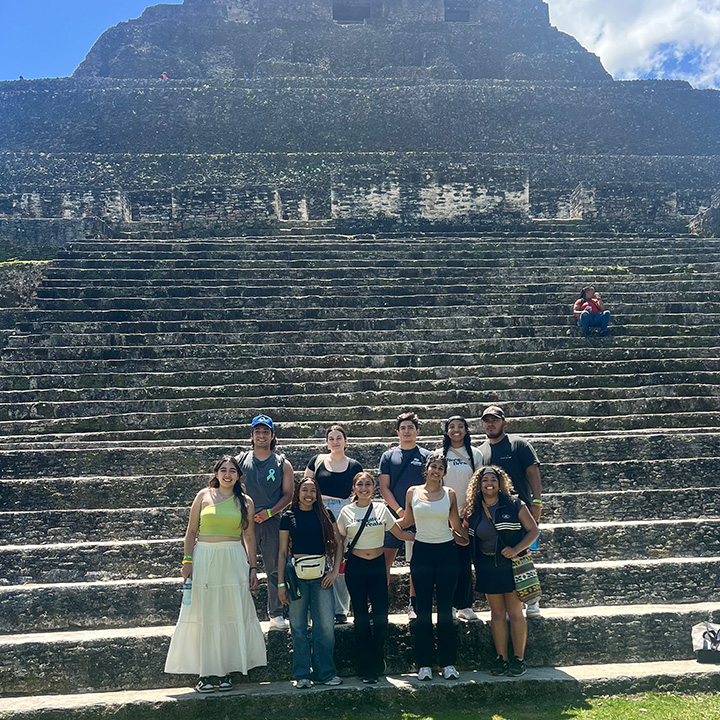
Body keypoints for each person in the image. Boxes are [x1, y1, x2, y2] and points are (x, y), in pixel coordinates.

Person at [164, 456, 267, 692]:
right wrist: (187, 561)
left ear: (239, 475)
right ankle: (205, 672)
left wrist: (253, 567)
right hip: (205, 558)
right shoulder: (203, 496)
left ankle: (226, 671)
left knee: (230, 613)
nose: (228, 474)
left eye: (232, 470)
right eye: (223, 470)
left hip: (233, 559)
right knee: (206, 614)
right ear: (216, 473)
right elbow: (191, 532)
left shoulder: (246, 502)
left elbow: (249, 537)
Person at [336, 471, 416, 684]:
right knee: (361, 617)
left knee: (381, 616)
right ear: (354, 489)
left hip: (378, 566)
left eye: (368, 484)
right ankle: (366, 667)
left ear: (373, 488)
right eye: (360, 485)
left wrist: (430, 536)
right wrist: (335, 569)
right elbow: (339, 543)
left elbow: (400, 534)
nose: (364, 488)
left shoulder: (381, 509)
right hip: (356, 567)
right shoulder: (346, 512)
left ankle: (377, 658)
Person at [398, 453, 469, 681]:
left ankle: (448, 663)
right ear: (426, 469)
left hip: (447, 553)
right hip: (422, 553)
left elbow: (455, 524)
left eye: (440, 468)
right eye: (433, 467)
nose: (436, 471)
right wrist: (385, 523)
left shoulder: (449, 494)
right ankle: (424, 664)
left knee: (446, 610)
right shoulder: (412, 492)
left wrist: (470, 533)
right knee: (423, 611)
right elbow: (407, 522)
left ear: (444, 473)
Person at [465, 465, 539, 678]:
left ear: (500, 483)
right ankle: (501, 658)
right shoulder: (474, 509)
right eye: (485, 480)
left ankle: (518, 659)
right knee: (497, 613)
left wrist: (516, 549)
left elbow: (533, 531)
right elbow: (467, 535)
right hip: (487, 567)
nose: (489, 483)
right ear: (478, 485)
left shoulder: (514, 503)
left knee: (515, 612)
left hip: (512, 566)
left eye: (493, 479)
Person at [277, 477, 344, 688]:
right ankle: (302, 674)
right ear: (297, 493)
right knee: (298, 627)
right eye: (304, 490)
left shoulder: (325, 515)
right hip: (296, 577)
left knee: (325, 627)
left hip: (321, 576)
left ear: (317, 494)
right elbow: (281, 552)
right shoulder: (288, 517)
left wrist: (334, 571)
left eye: (312, 491)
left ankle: (325, 673)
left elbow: (338, 542)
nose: (309, 494)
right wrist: (280, 584)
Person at [478, 405, 543, 618]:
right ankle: (507, 603)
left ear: (504, 423)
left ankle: (532, 600)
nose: (490, 424)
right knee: (503, 554)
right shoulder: (482, 451)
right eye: (487, 421)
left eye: (494, 420)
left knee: (524, 553)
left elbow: (533, 473)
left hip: (521, 508)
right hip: (495, 511)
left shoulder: (519, 444)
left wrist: (537, 502)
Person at [237, 414, 294, 629]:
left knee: (274, 567)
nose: (262, 435)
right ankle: (242, 613)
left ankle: (276, 613)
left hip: (272, 520)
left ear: (272, 435)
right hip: (244, 520)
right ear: (251, 435)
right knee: (241, 566)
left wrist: (269, 513)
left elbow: (288, 494)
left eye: (266, 432)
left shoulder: (281, 462)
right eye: (257, 432)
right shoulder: (241, 460)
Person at [304, 424, 363, 624]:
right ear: (326, 442)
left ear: (346, 442)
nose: (335, 441)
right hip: (319, 510)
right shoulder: (317, 461)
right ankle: (318, 609)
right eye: (331, 438)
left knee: (341, 561)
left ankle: (340, 610)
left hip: (344, 511)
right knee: (319, 558)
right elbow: (305, 488)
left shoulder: (354, 465)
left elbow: (359, 492)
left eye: (339, 438)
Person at [378, 411, 431, 620]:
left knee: (417, 562)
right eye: (403, 428)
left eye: (410, 427)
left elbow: (431, 485)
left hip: (421, 515)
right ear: (397, 432)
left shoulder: (427, 456)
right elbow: (384, 488)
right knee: (384, 561)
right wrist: (401, 511)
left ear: (417, 431)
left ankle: (414, 603)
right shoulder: (389, 456)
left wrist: (415, 511)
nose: (406, 431)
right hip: (393, 516)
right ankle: (380, 602)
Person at [441, 415, 483, 622]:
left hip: (468, 514)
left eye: (460, 426)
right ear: (446, 431)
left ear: (466, 430)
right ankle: (446, 604)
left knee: (464, 561)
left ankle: (464, 605)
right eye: (451, 427)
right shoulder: (439, 454)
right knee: (446, 563)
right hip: (442, 514)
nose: (456, 430)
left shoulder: (475, 454)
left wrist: (469, 510)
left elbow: (480, 483)